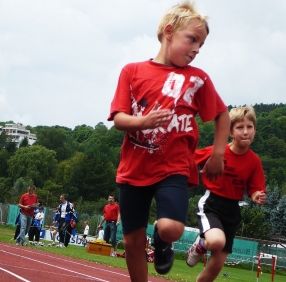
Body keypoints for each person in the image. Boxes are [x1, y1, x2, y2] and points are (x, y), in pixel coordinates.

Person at [107, 1, 230, 280]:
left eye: (201, 44)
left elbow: (222, 115)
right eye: (192, 39)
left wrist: (218, 154)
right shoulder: (132, 71)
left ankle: (164, 243)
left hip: (173, 168)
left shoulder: (197, 79)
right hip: (133, 170)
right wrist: (142, 122)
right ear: (169, 31)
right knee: (132, 242)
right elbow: (118, 119)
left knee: (170, 228)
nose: (197, 49)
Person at [186, 106, 267, 282]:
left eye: (249, 127)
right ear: (230, 131)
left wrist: (256, 196)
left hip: (232, 211)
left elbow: (255, 188)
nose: (245, 132)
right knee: (216, 242)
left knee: (217, 264)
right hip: (212, 204)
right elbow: (188, 159)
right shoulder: (218, 151)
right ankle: (201, 244)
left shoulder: (254, 161)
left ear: (255, 129)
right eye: (240, 127)